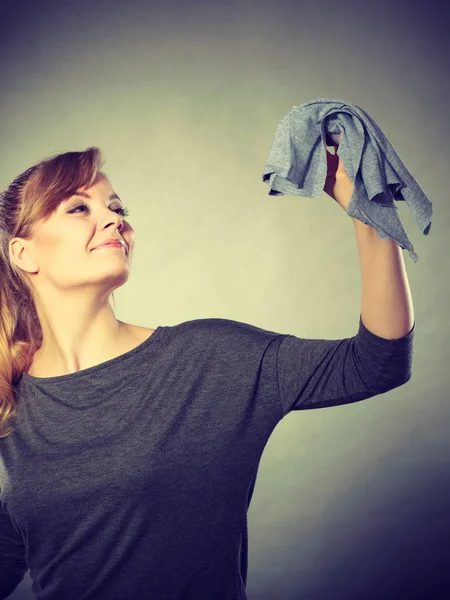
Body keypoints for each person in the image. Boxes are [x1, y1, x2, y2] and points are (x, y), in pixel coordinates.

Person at [0, 147, 414, 600]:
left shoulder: (209, 359)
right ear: (23, 253)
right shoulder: (10, 403)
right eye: (79, 207)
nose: (114, 219)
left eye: (118, 208)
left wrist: (368, 209)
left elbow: (377, 363)